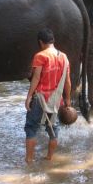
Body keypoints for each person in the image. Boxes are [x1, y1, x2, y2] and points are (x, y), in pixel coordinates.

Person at [24, 28, 71, 163]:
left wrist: (28, 97)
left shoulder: (40, 56)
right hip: (57, 100)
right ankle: (49, 158)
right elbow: (67, 81)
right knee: (53, 129)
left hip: (40, 98)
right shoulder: (64, 57)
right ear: (53, 41)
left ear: (41, 42)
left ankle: (29, 160)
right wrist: (67, 99)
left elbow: (36, 77)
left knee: (31, 127)